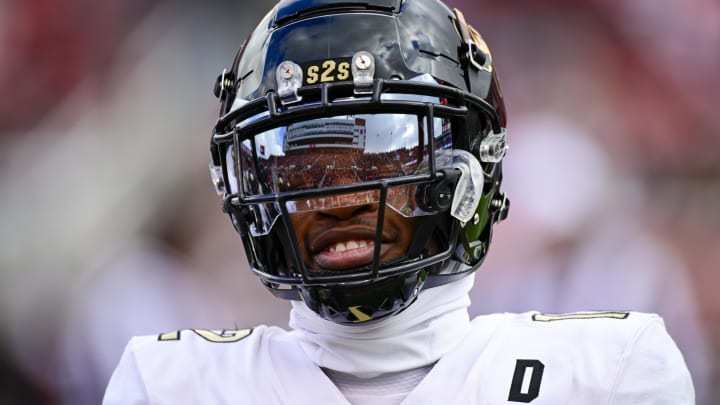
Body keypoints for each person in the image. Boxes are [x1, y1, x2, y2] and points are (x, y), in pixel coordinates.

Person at [103, 0, 695, 403]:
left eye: (381, 152)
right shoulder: (170, 385)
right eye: (302, 167)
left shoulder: (608, 373)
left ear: (468, 171)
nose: (340, 200)